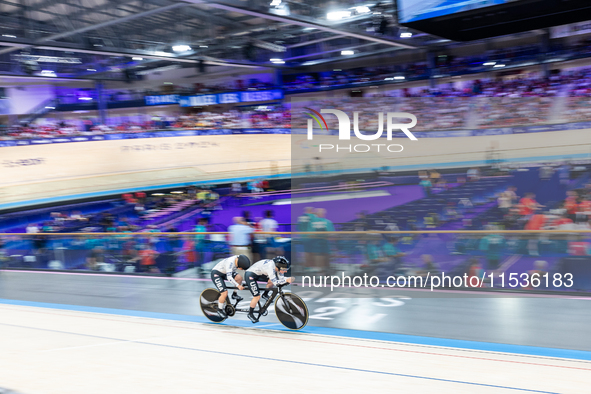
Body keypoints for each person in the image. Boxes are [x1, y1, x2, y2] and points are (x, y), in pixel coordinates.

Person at [244, 256, 294, 323]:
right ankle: (250, 313)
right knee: (257, 296)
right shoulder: (270, 267)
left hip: (260, 273)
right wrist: (287, 280)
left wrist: (288, 279)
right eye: (284, 268)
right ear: (279, 266)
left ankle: (265, 294)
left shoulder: (277, 267)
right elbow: (276, 283)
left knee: (271, 280)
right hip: (250, 275)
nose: (286, 270)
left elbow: (281, 279)